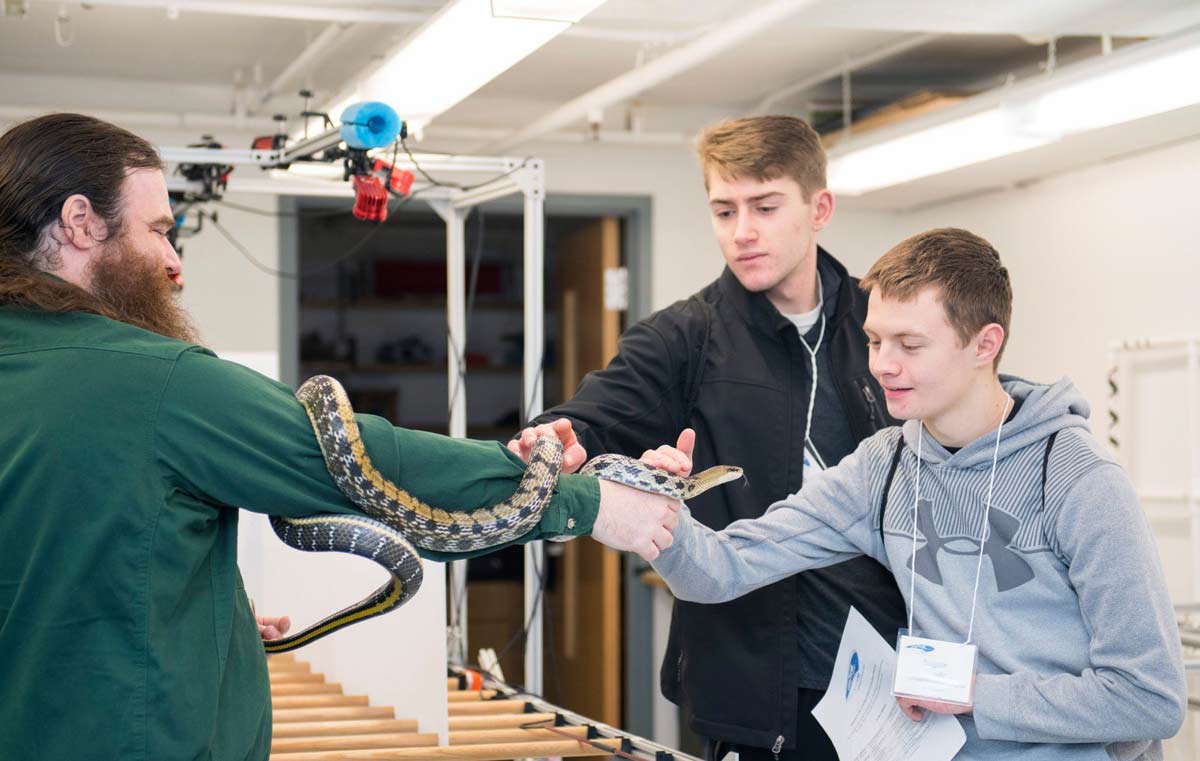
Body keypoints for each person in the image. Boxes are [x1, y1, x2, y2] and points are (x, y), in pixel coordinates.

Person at [0, 113, 680, 761]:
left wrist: (212, 624)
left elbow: (60, 579)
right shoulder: (153, 381)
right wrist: (589, 502)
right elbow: (357, 460)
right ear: (81, 223)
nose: (174, 261)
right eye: (158, 230)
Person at [645, 228, 1187, 760]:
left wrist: (971, 694)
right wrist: (661, 511)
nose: (882, 364)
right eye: (876, 340)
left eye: (910, 345)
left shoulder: (1077, 479)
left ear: (985, 344)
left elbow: (1149, 698)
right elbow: (720, 569)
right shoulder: (886, 465)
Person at [510, 115, 906, 759]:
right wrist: (561, 439)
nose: (742, 232)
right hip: (756, 690)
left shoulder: (882, 324)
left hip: (893, 683)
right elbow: (593, 414)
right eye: (724, 211)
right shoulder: (684, 338)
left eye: (765, 206)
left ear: (819, 208)